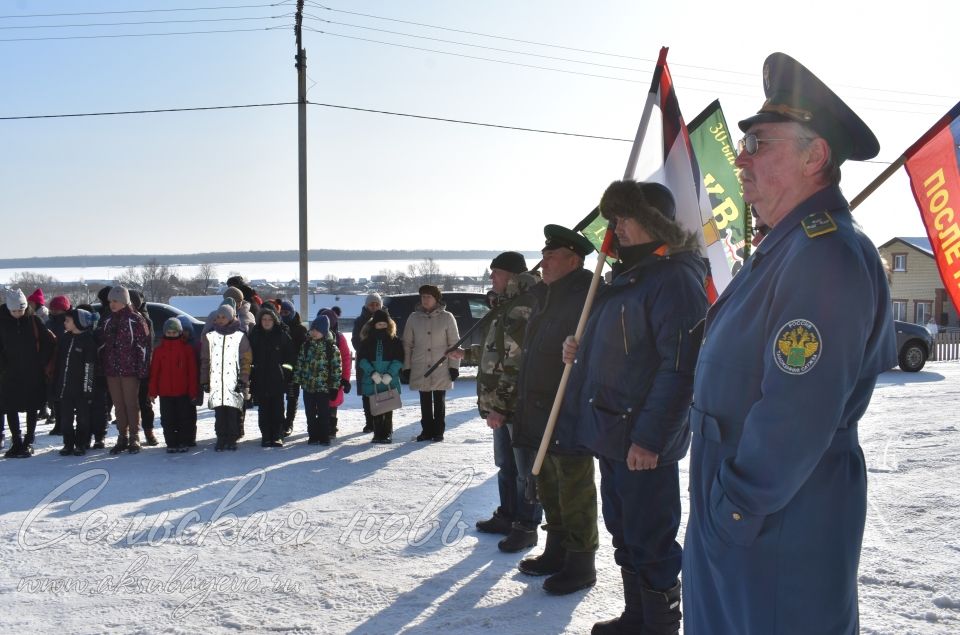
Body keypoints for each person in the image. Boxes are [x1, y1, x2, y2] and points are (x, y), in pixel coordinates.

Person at [682, 53, 897, 635]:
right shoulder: (786, 247)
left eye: (757, 142)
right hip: (740, 523)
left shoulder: (823, 254)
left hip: (773, 529)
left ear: (815, 155)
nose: (741, 157)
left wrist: (732, 510)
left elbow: (794, 415)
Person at [563, 181, 708, 629]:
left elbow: (679, 369)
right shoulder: (626, 279)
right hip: (611, 434)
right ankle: (636, 617)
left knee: (653, 540)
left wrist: (650, 439)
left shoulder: (675, 280)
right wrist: (578, 349)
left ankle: (660, 626)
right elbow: (623, 351)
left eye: (625, 218)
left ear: (655, 223)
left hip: (642, 443)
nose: (617, 228)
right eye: (614, 220)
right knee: (625, 533)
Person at [513, 225, 599, 596]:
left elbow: (594, 352)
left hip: (569, 408)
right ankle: (557, 550)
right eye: (544, 255)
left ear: (573, 260)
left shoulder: (588, 296)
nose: (543, 262)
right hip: (539, 409)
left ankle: (581, 563)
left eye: (551, 256)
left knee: (574, 488)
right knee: (548, 484)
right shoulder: (547, 296)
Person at [449, 251, 543, 553]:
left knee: (524, 469)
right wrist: (469, 355)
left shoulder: (524, 306)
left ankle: (525, 525)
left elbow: (516, 361)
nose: (491, 278)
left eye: (496, 273)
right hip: (500, 404)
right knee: (506, 465)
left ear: (512, 276)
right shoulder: (507, 305)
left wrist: (501, 407)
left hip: (515, 405)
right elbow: (497, 351)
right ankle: (508, 515)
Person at [0, 288, 56, 458]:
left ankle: (29, 440)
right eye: (14, 311)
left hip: (33, 371)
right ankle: (16, 441)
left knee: (32, 406)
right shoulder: (2, 321)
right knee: (10, 406)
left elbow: (48, 343)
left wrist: (40, 363)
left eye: (21, 310)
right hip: (8, 372)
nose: (18, 314)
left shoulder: (33, 320)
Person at [402, 284, 460, 442]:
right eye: (423, 297)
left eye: (428, 296)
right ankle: (426, 430)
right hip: (420, 365)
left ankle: (439, 431)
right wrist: (406, 367)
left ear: (436, 299)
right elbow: (407, 344)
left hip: (440, 365)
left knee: (439, 399)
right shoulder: (413, 318)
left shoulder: (447, 317)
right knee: (425, 400)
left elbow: (454, 343)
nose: (425, 300)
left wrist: (454, 366)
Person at [100, 286, 151, 455]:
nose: (112, 304)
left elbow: (142, 347)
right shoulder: (108, 320)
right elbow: (104, 345)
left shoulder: (136, 319)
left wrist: (142, 370)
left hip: (130, 370)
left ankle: (134, 436)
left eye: (115, 301)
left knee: (131, 404)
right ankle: (122, 436)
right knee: (119, 405)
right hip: (113, 370)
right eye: (110, 301)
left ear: (124, 301)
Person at [201, 304, 252, 451]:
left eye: (223, 317)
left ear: (230, 318)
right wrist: (204, 380)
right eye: (218, 317)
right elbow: (205, 360)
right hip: (217, 380)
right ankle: (221, 437)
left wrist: (243, 379)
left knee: (232, 411)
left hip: (233, 380)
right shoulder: (210, 337)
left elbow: (246, 359)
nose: (220, 320)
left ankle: (232, 437)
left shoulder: (239, 336)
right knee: (220, 411)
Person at [148, 318, 199, 453]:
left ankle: (183, 441)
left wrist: (193, 392)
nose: (171, 334)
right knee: (167, 419)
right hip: (165, 393)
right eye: (168, 332)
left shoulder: (187, 350)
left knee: (184, 418)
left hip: (183, 392)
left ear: (180, 333)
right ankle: (171, 442)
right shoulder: (159, 351)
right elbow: (154, 373)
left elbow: (192, 373)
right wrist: (152, 392)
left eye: (174, 332)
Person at [53, 308, 99, 456]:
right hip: (65, 388)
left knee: (83, 419)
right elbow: (59, 364)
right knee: (65, 419)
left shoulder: (88, 341)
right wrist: (57, 385)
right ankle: (68, 443)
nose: (64, 323)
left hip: (81, 390)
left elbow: (90, 367)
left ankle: (81, 443)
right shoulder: (65, 339)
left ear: (78, 322)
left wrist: (88, 389)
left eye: (68, 320)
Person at [249, 305, 296, 447]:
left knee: (277, 409)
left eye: (270, 319)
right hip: (260, 379)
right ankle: (266, 435)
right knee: (263, 410)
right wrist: (252, 371)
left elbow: (290, 358)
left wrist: (285, 372)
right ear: (260, 320)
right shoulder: (255, 335)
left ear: (274, 320)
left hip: (278, 380)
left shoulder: (282, 335)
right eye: (264, 319)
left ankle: (277, 435)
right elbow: (249, 357)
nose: (267, 322)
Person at [293, 314, 343, 446]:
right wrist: (296, 381)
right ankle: (313, 435)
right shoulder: (306, 346)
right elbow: (300, 364)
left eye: (318, 330)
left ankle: (324, 435)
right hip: (308, 386)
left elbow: (336, 369)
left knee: (324, 413)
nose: (314, 332)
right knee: (310, 413)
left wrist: (334, 387)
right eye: (313, 329)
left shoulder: (331, 348)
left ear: (324, 332)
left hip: (323, 387)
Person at [356, 309, 404, 444]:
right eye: (379, 324)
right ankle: (378, 433)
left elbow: (399, 358)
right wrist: (372, 373)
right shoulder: (366, 341)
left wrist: (390, 373)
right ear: (374, 325)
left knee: (388, 408)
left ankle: (387, 432)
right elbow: (362, 360)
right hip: (372, 379)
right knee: (375, 408)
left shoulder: (394, 341)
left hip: (389, 378)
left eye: (384, 324)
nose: (382, 326)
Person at [129, 289, 158, 447]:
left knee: (144, 402)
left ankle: (149, 431)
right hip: (127, 367)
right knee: (129, 403)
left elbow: (148, 345)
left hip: (144, 366)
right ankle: (131, 434)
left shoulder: (145, 320)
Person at [317, 307, 352, 437]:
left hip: (335, 378)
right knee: (319, 404)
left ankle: (331, 426)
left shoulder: (339, 338)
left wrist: (345, 379)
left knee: (332, 404)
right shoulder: (314, 336)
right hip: (318, 378)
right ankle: (321, 425)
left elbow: (346, 359)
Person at [352, 292, 383, 434]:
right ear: (367, 305)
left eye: (377, 304)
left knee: (380, 391)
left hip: (381, 361)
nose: (374, 307)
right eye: (372, 304)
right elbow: (355, 340)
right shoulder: (359, 321)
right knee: (367, 392)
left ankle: (380, 422)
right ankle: (369, 422)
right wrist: (366, 351)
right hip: (364, 362)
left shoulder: (386, 319)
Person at [279, 299, 308, 435]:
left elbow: (303, 350)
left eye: (287, 312)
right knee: (278, 397)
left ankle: (288, 422)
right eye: (282, 312)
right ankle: (280, 421)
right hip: (279, 368)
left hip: (294, 369)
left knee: (292, 397)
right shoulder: (278, 327)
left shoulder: (300, 329)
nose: (284, 315)